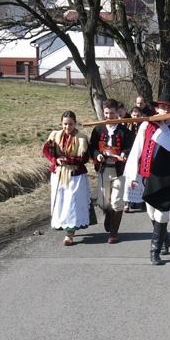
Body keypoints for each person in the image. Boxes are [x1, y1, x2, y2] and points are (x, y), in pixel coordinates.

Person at [124, 93, 170, 265]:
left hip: (166, 179)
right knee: (151, 213)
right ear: (156, 109)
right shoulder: (146, 126)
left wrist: (163, 127)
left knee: (162, 212)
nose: (165, 110)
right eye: (162, 107)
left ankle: (154, 250)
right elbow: (137, 150)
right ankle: (165, 238)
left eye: (169, 107)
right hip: (149, 176)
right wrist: (133, 175)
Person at [43, 110, 93, 246]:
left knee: (73, 202)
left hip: (75, 175)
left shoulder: (81, 138)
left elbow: (83, 158)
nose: (67, 127)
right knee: (61, 200)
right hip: (59, 173)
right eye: (65, 124)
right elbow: (46, 150)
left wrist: (68, 160)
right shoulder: (55, 135)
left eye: (70, 124)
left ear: (75, 124)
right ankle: (64, 224)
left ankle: (70, 233)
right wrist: (55, 159)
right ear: (61, 123)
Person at [89, 99, 134, 244]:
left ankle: (114, 231)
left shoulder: (124, 131)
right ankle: (108, 214)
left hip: (118, 171)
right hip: (103, 170)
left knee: (117, 202)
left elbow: (130, 147)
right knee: (102, 202)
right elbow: (92, 147)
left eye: (112, 113)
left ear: (118, 113)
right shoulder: (98, 130)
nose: (109, 116)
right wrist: (97, 155)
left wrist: (124, 153)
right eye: (106, 113)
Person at [123, 106, 144, 212]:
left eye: (138, 115)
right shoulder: (127, 125)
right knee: (129, 177)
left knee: (139, 177)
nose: (136, 117)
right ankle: (126, 203)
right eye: (134, 115)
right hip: (129, 153)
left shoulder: (143, 126)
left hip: (140, 153)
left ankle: (139, 201)